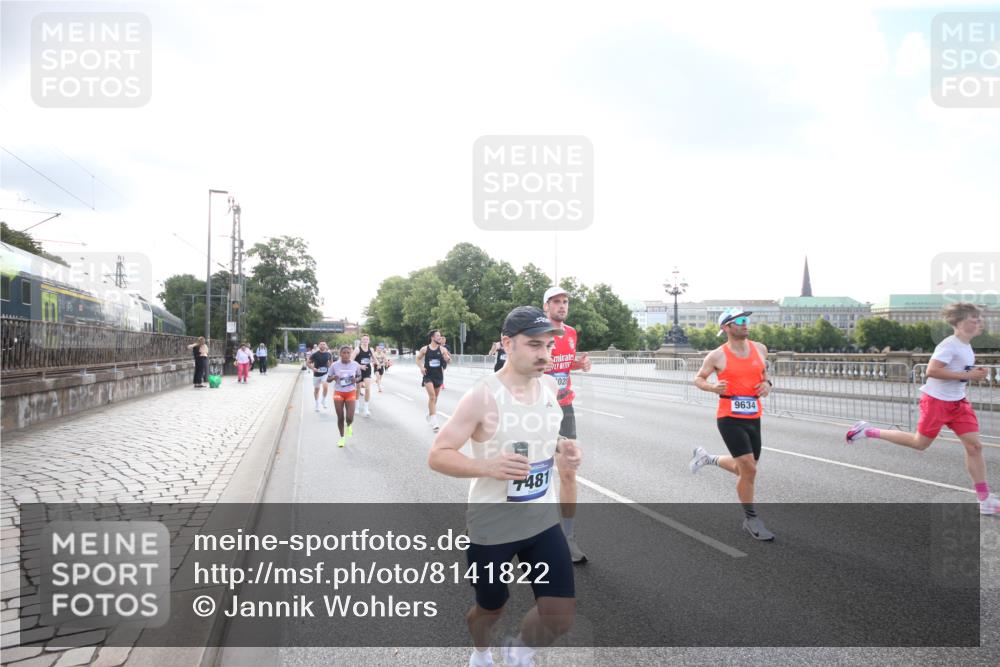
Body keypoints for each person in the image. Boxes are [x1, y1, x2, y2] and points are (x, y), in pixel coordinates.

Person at [428, 306, 581, 667]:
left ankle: (518, 652)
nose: (544, 354)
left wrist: (563, 447)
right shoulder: (483, 396)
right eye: (534, 345)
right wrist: (487, 466)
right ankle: (481, 652)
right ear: (507, 344)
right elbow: (438, 454)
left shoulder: (549, 385)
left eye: (548, 345)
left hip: (541, 520)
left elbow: (541, 430)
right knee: (490, 608)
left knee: (559, 612)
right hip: (492, 527)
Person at [846, 302, 999, 515]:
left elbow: (954, 370)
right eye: (975, 319)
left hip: (958, 403)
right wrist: (967, 375)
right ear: (961, 322)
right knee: (920, 444)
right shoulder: (949, 344)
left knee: (975, 447)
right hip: (936, 402)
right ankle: (868, 431)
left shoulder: (965, 345)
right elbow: (931, 371)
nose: (980, 322)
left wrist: (971, 371)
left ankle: (984, 500)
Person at [690, 308, 775, 540]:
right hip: (729, 416)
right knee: (749, 467)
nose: (746, 323)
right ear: (727, 327)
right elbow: (698, 379)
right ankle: (751, 519)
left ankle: (708, 458)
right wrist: (711, 387)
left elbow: (764, 373)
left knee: (744, 469)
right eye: (740, 320)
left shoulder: (760, 349)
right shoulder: (717, 355)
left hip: (753, 415)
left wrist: (767, 383)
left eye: (747, 319)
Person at [542, 286, 593, 563]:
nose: (562, 306)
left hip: (565, 406)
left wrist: (579, 364)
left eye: (565, 302)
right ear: (546, 306)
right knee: (527, 470)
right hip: (536, 408)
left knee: (569, 470)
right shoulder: (536, 332)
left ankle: (568, 538)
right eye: (556, 302)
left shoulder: (571, 333)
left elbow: (562, 364)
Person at [416, 329, 452, 432]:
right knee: (432, 397)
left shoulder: (442, 349)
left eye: (440, 336)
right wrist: (421, 367)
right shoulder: (425, 349)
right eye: (437, 336)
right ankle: (435, 422)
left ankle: (430, 414)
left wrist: (447, 359)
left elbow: (448, 359)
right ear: (432, 337)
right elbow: (418, 359)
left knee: (435, 398)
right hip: (428, 376)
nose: (440, 338)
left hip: (438, 376)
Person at [327, 345, 362, 448]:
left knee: (349, 417)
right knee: (340, 417)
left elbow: (360, 376)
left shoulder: (355, 364)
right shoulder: (334, 365)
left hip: (351, 392)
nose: (346, 355)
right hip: (338, 392)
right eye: (344, 353)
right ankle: (342, 438)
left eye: (348, 353)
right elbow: (328, 379)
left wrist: (356, 380)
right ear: (340, 354)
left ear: (350, 354)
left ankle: (349, 425)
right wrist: (333, 377)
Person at [353, 334, 377, 417]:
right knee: (358, 388)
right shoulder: (357, 349)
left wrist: (378, 363)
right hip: (358, 371)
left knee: (367, 387)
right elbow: (351, 360)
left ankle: (366, 408)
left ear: (369, 341)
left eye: (367, 339)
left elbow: (374, 358)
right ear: (361, 341)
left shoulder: (371, 349)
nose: (365, 341)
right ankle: (357, 406)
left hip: (367, 370)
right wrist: (360, 366)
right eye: (364, 339)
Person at [307, 341, 334, 411]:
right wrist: (313, 368)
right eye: (321, 344)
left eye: (324, 344)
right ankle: (317, 404)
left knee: (325, 386)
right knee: (317, 390)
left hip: (325, 374)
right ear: (319, 346)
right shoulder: (315, 354)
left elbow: (331, 361)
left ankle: (323, 400)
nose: (322, 345)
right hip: (316, 375)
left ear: (326, 346)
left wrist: (329, 365)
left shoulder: (328, 354)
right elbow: (308, 363)